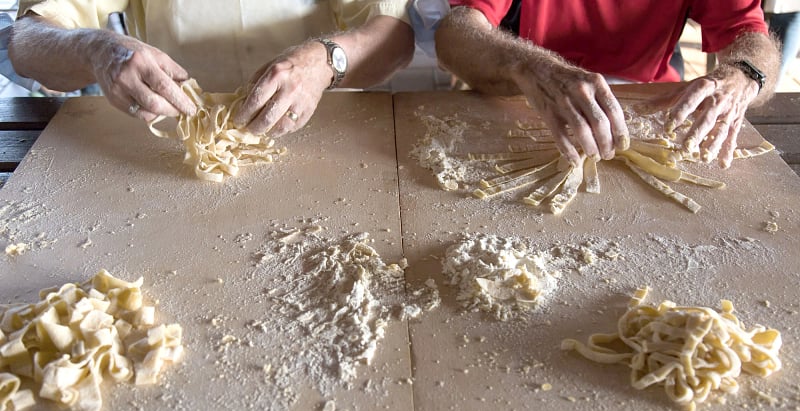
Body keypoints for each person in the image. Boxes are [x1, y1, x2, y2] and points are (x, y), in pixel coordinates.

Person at [434, 1, 781, 169]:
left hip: (653, 105)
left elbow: (749, 37)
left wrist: (744, 75)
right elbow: (456, 32)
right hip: (530, 95)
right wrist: (530, 65)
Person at [6, 0, 415, 137]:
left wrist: (325, 60)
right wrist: (92, 48)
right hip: (178, 143)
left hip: (317, 133)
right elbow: (27, 39)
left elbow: (393, 36)